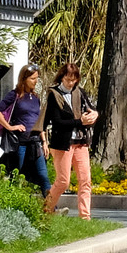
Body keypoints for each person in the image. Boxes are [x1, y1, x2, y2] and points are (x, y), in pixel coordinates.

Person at [42, 61, 99, 219]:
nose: (70, 83)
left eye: (74, 80)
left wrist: (94, 115)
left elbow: (91, 109)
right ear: (62, 77)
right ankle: (46, 209)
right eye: (68, 79)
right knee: (63, 181)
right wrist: (80, 121)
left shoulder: (79, 92)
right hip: (62, 144)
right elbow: (57, 122)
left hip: (81, 142)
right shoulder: (54, 95)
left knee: (85, 179)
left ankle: (85, 217)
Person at [0, 63, 50, 196]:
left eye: (37, 78)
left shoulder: (36, 98)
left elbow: (39, 121)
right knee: (16, 173)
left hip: (35, 142)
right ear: (24, 79)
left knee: (43, 175)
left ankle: (51, 207)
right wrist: (10, 127)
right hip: (20, 143)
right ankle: (13, 204)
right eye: (32, 78)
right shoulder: (15, 95)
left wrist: (44, 141)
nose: (36, 81)